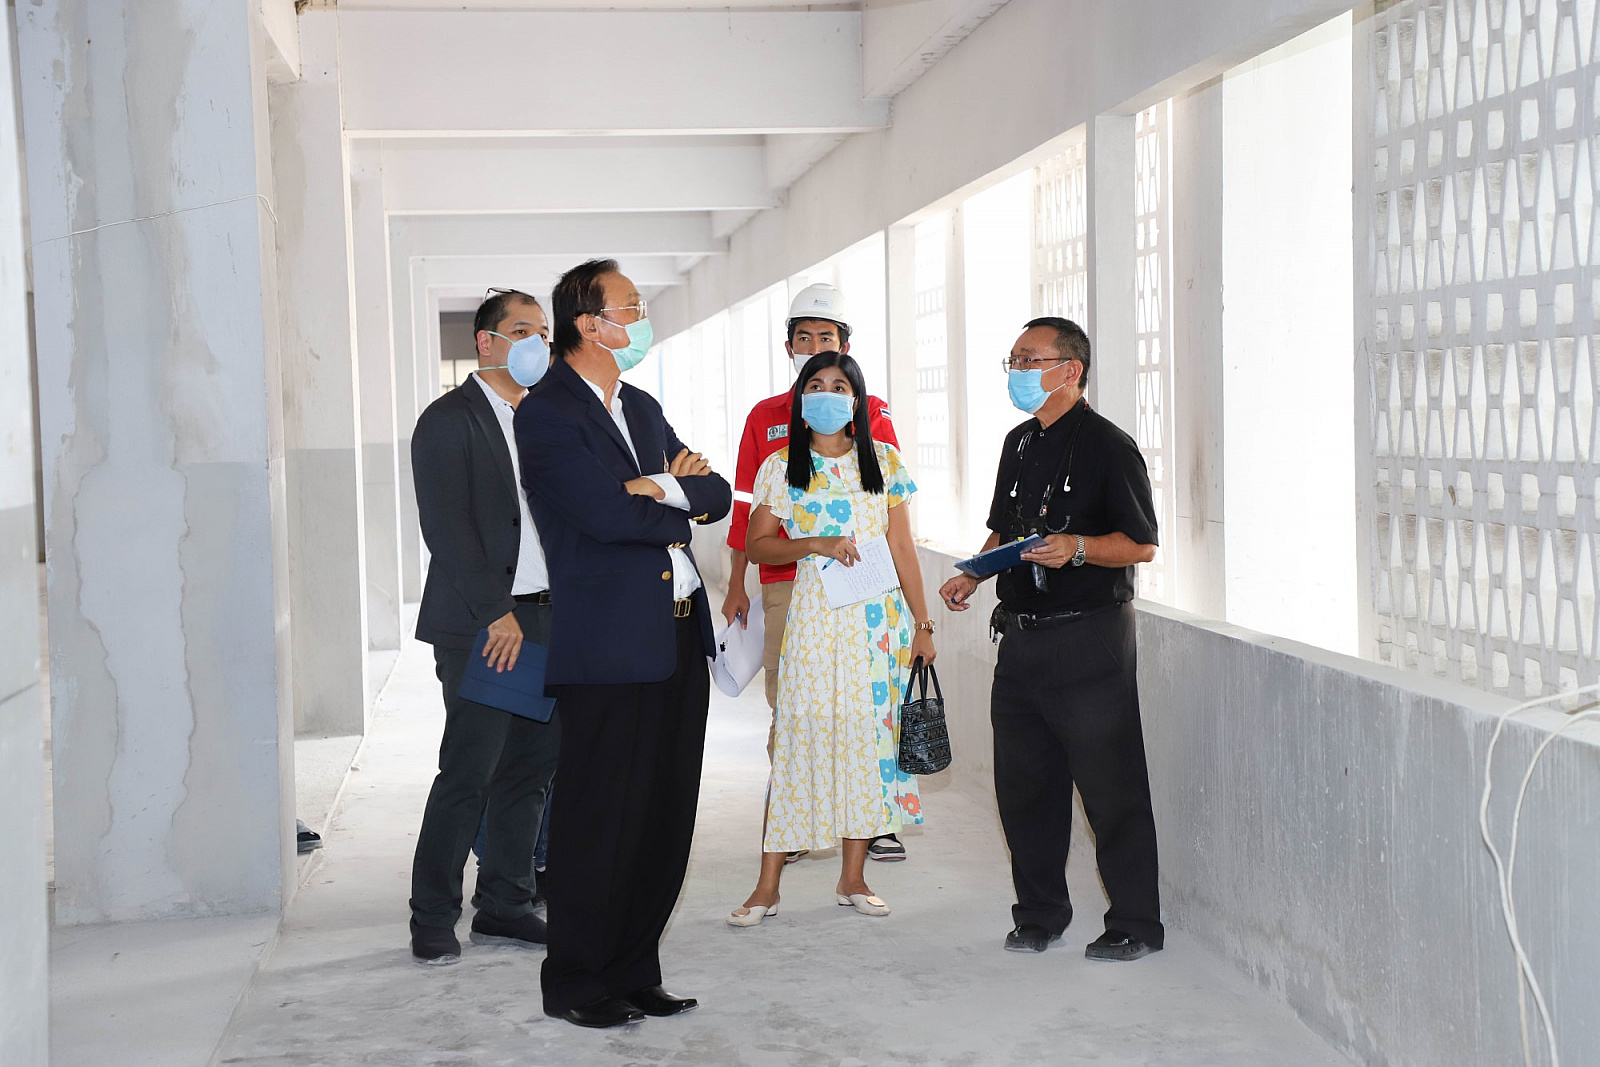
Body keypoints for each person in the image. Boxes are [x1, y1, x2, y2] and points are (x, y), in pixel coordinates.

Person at [515, 259, 731, 1029]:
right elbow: (603, 517)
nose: (641, 321)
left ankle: (636, 969)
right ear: (589, 323)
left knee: (664, 815)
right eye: (630, 308)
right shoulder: (547, 414)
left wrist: (657, 487)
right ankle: (578, 980)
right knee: (599, 817)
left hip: (677, 636)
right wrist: (669, 498)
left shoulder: (639, 405)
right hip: (608, 644)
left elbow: (717, 493)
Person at [938, 317, 1164, 961]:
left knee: (1110, 789)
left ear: (1071, 369)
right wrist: (975, 573)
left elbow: (1141, 544)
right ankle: (1039, 914)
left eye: (1029, 360)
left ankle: (1135, 923)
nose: (1017, 371)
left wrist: (1079, 548)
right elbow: (1006, 529)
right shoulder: (1017, 443)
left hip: (1089, 639)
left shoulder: (1109, 446)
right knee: (1025, 787)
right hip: (1021, 639)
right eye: (1012, 360)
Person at [727, 352, 936, 927]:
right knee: (799, 742)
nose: (827, 394)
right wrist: (814, 544)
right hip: (815, 624)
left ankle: (853, 878)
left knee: (868, 746)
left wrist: (922, 625)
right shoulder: (781, 466)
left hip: (879, 627)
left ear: (856, 400)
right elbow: (759, 544)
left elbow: (902, 547)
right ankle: (767, 887)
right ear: (801, 400)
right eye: (815, 385)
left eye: (839, 386)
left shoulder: (884, 462)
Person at [720, 284, 909, 864]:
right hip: (790, 585)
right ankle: (797, 815)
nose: (814, 346)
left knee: (866, 707)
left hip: (863, 589)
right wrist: (736, 581)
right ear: (789, 347)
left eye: (826, 336)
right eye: (804, 338)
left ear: (845, 344)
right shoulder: (766, 418)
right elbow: (747, 507)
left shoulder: (871, 410)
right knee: (795, 705)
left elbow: (887, 504)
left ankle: (870, 820)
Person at [407, 288, 561, 966]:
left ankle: (505, 903)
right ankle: (432, 915)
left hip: (547, 615)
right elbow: (448, 529)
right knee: (470, 770)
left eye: (543, 332)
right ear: (486, 341)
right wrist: (497, 612)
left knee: (531, 769)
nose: (536, 343)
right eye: (522, 330)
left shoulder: (544, 419)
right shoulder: (450, 420)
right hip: (487, 622)